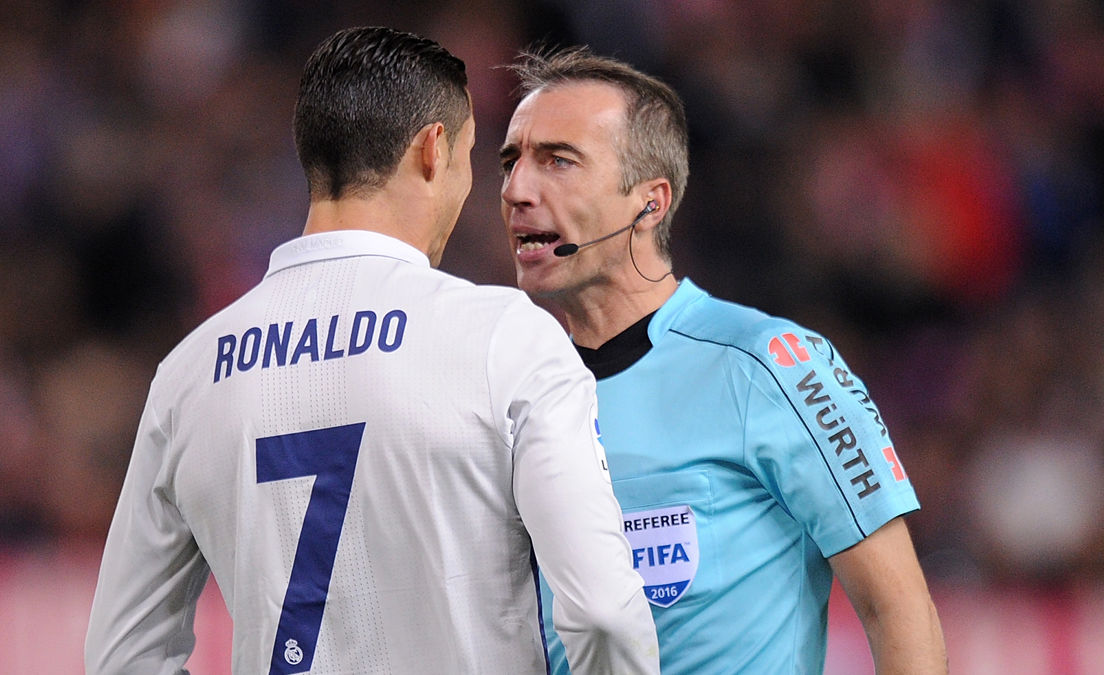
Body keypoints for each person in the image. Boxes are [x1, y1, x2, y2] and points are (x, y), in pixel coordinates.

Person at [86, 28, 659, 675]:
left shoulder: (188, 374)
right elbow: (604, 614)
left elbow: (121, 655)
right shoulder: (506, 337)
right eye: (476, 157)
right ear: (433, 150)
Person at [499, 47, 947, 675]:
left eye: (559, 161)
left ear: (649, 203)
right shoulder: (511, 393)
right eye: (511, 160)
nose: (517, 189)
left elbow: (897, 608)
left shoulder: (772, 367)